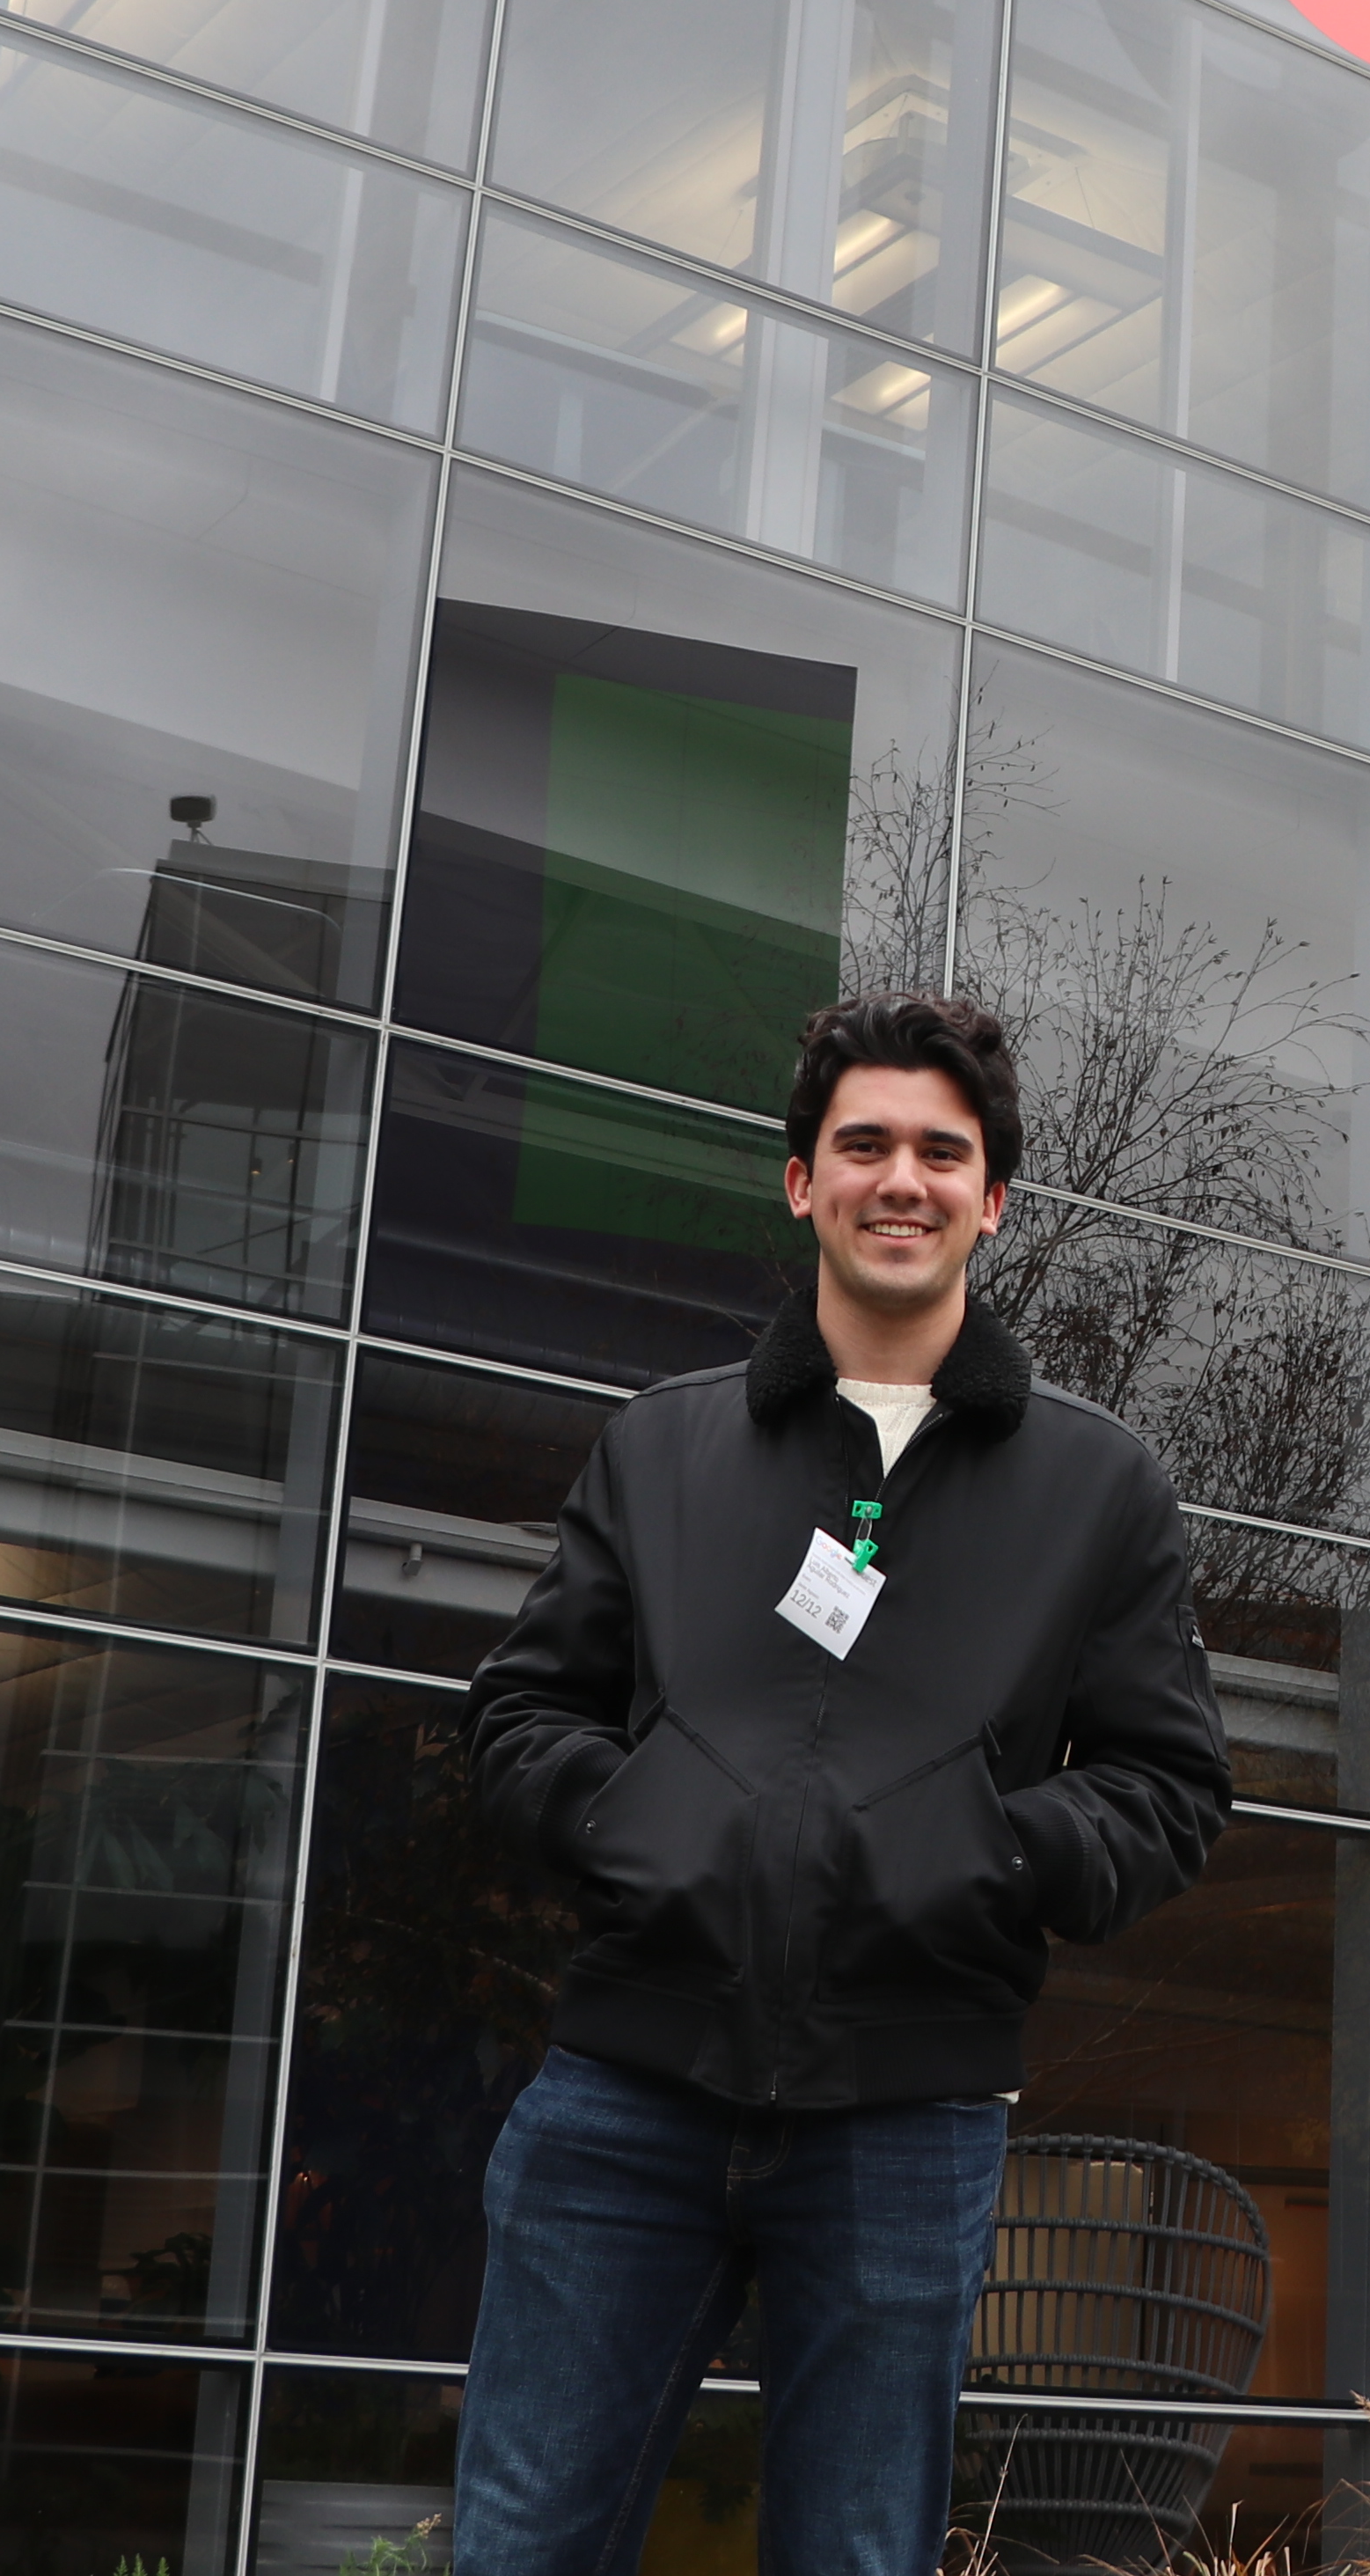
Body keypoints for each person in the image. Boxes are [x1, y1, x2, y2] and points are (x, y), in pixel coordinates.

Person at [460, 991, 1230, 2576]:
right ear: (801, 1181)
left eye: (943, 1153)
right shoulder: (662, 1447)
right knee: (522, 2547)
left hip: (908, 2122)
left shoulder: (1099, 1487)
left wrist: (981, 1854)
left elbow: (1166, 1786)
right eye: (863, 1143)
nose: (903, 1179)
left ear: (993, 1200)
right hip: (622, 2102)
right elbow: (525, 1711)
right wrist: (636, 1823)